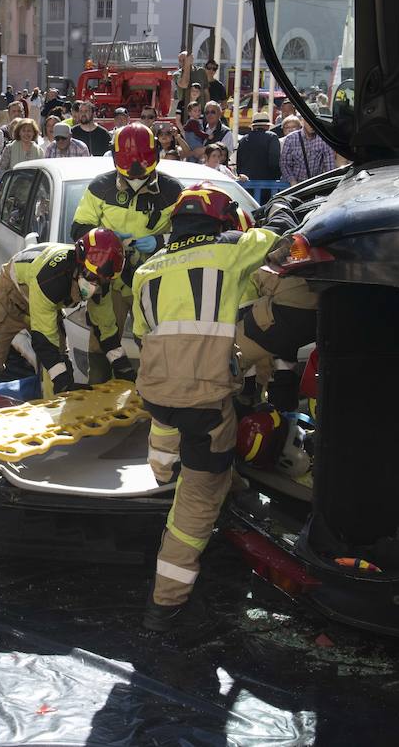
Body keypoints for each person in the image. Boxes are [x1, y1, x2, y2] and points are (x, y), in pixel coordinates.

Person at [131, 185, 287, 631]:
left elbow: (146, 333)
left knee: (169, 434)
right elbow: (275, 238)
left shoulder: (147, 269)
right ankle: (166, 603)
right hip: (203, 399)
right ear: (221, 222)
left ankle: (164, 475)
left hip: (158, 393)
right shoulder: (231, 250)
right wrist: (278, 211)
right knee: (197, 501)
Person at [0, 228, 133, 404]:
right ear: (79, 262)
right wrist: (63, 382)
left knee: (59, 364)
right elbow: (43, 339)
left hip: (45, 306)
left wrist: (123, 367)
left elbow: (105, 328)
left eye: (101, 281)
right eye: (91, 276)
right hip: (8, 300)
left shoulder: (99, 284)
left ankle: (55, 418)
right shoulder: (52, 277)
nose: (94, 286)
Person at [71, 122, 182, 262]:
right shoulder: (100, 187)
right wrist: (106, 238)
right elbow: (78, 229)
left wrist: (160, 241)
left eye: (142, 176)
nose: (136, 180)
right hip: (108, 272)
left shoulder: (173, 191)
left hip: (156, 271)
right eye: (129, 176)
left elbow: (188, 234)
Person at [279, 115, 335, 186]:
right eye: (309, 122)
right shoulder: (291, 139)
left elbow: (329, 165)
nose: (312, 125)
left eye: (315, 122)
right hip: (293, 184)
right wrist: (293, 181)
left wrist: (328, 183)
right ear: (303, 122)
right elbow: (285, 164)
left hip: (314, 185)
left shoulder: (323, 139)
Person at [235, 112, 282, 183]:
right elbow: (274, 161)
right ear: (267, 126)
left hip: (246, 184)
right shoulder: (272, 137)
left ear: (253, 126)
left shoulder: (243, 139)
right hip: (268, 184)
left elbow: (239, 163)